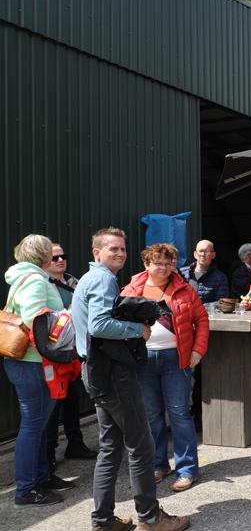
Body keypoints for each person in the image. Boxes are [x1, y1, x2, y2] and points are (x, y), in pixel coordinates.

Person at [72, 227, 189, 531]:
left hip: (96, 371)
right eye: (113, 248)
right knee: (142, 446)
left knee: (111, 447)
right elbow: (99, 325)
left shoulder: (89, 278)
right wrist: (139, 330)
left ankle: (103, 521)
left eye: (123, 249)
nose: (120, 253)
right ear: (96, 252)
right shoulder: (102, 279)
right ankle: (150, 519)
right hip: (113, 373)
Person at [121, 243, 209, 493]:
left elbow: (201, 319)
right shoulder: (132, 289)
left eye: (168, 263)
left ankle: (187, 470)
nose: (164, 267)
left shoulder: (184, 288)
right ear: (146, 264)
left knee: (179, 414)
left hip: (176, 359)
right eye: (158, 263)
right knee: (152, 416)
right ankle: (158, 465)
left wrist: (198, 349)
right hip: (143, 360)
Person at [5, 234, 76, 508]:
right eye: (51, 252)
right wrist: (66, 317)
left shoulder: (26, 276)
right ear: (43, 254)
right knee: (34, 425)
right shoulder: (35, 279)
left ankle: (42, 477)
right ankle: (26, 490)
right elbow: (35, 318)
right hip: (32, 363)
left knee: (40, 424)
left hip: (32, 362)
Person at [44, 243, 98, 470]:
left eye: (63, 256)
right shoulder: (42, 284)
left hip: (75, 351)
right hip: (52, 353)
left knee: (73, 399)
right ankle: (48, 453)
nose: (60, 260)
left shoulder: (75, 282)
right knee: (53, 403)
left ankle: (75, 443)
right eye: (54, 257)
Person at [179, 239, 229, 304]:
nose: (202, 254)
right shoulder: (181, 273)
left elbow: (221, 303)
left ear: (213, 255)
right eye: (200, 251)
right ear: (195, 254)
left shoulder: (220, 278)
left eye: (207, 251)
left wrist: (199, 308)